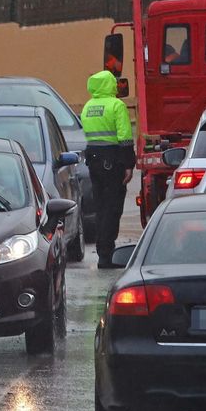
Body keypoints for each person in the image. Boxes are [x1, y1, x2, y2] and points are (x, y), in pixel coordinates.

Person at [80, 70, 135, 268]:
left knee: (101, 207)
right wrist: (129, 164)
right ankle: (107, 255)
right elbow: (125, 136)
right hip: (113, 160)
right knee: (113, 207)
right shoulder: (116, 105)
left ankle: (103, 250)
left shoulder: (88, 106)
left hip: (94, 160)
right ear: (110, 85)